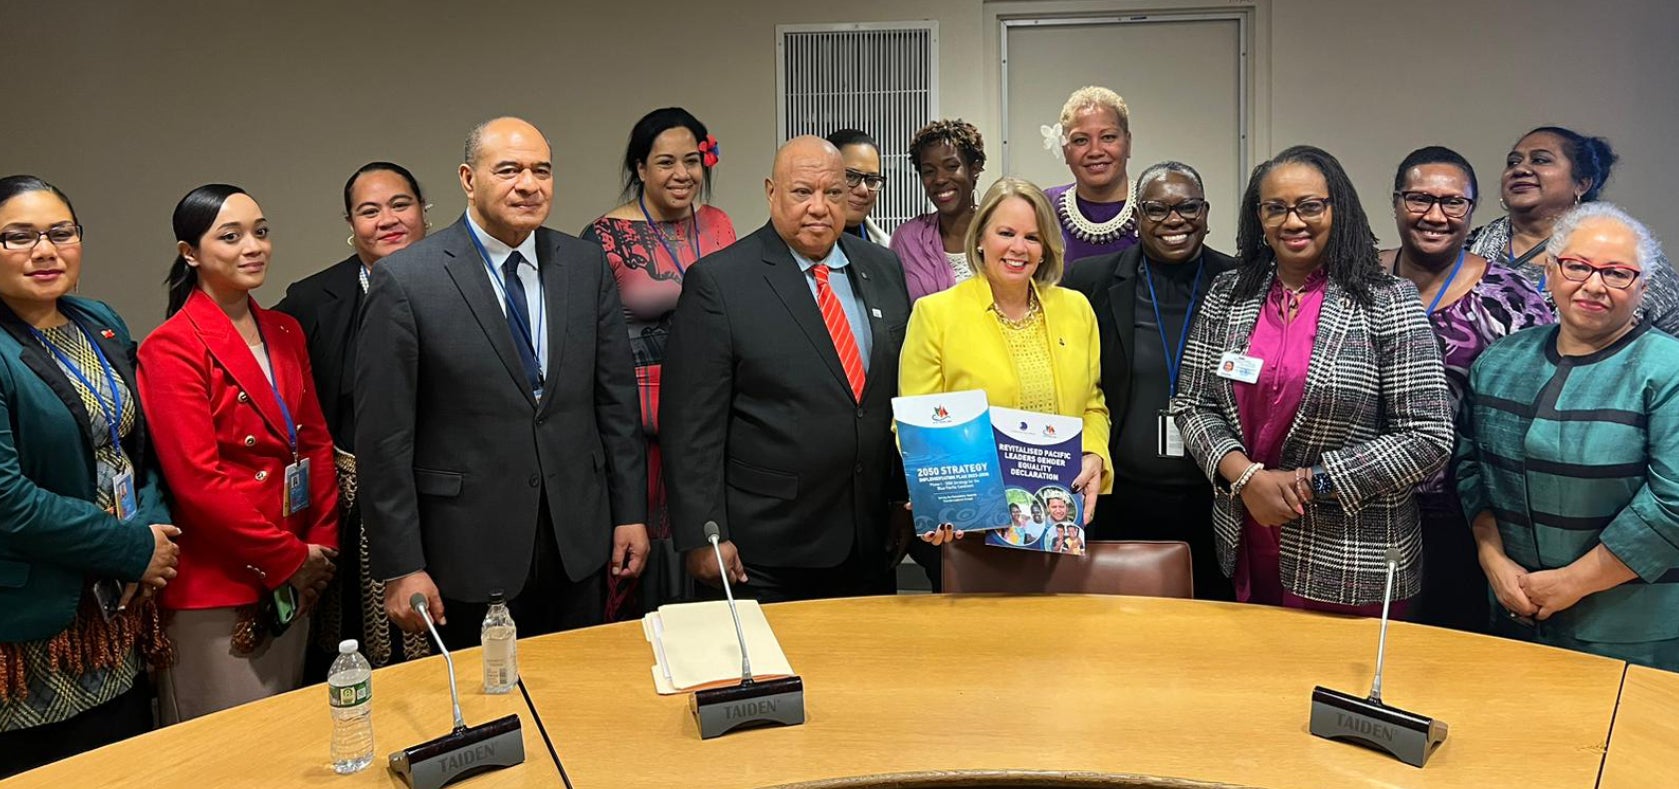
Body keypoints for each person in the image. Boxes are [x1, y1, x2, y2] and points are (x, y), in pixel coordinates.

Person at [357, 118, 648, 650]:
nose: (529, 184)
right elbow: (384, 439)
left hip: (576, 538)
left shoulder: (584, 266)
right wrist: (400, 566)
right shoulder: (408, 278)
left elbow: (616, 403)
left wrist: (630, 512)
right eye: (509, 169)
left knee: (578, 693)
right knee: (488, 708)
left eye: (542, 170)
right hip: (467, 543)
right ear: (469, 179)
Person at [1171, 146, 1453, 615]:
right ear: (1257, 217)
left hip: (1351, 552)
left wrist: (1305, 484)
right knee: (1255, 677)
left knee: (1333, 684)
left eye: (1309, 206)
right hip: (1245, 532)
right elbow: (1191, 404)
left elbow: (1428, 436)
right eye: (1275, 208)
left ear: (1336, 209)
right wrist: (1245, 478)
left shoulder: (1387, 300)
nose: (1292, 222)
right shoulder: (1229, 293)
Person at [662, 136, 911, 603]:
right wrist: (703, 533)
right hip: (767, 545)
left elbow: (891, 397)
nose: (819, 207)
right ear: (771, 191)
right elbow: (691, 424)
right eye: (802, 192)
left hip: (869, 535)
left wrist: (899, 498)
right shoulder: (720, 283)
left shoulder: (884, 267)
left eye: (833, 193)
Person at [139, 184, 340, 722]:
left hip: (298, 571)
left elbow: (315, 441)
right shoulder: (172, 345)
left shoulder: (284, 328)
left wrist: (320, 545)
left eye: (261, 231)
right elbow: (197, 482)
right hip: (223, 580)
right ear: (190, 252)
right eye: (231, 236)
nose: (253, 246)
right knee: (228, 753)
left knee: (286, 739)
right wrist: (289, 558)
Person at [0, 177, 179, 777]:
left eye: (60, 232)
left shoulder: (94, 318)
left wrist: (153, 533)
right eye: (18, 237)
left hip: (116, 608)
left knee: (125, 762)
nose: (44, 250)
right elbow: (9, 502)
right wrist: (130, 548)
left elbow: (136, 447)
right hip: (33, 624)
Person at [1457, 203, 1679, 672]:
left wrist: (1572, 584)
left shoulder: (1667, 369)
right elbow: (1471, 467)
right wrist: (1492, 558)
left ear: (1642, 286)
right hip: (1512, 613)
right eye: (1577, 266)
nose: (1594, 285)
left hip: (1630, 633)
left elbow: (1673, 503)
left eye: (1617, 273)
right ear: (1551, 270)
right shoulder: (1500, 362)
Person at [1379, 146, 1553, 631]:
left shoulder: (1513, 296)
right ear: (1395, 202)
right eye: (1419, 199)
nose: (1435, 215)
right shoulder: (1359, 282)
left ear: (1472, 210)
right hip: (1364, 510)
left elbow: (1528, 414)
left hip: (1471, 518)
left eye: (1453, 202)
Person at [274, 162, 431, 673]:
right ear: (350, 224)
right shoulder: (312, 300)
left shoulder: (462, 281)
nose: (388, 220)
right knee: (355, 652)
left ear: (425, 212)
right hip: (351, 502)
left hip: (450, 496)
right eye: (370, 211)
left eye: (400, 204)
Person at [900, 177, 1112, 549]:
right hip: (971, 529)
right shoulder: (935, 314)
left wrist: (1095, 453)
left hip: (1058, 524)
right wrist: (940, 497)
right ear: (980, 239)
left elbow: (1093, 404)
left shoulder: (1076, 309)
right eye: (1006, 233)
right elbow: (917, 424)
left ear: (1045, 249)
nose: (1019, 248)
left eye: (1032, 237)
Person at [582, 108, 735, 621]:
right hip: (638, 431)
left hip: (711, 424)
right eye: (666, 162)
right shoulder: (603, 236)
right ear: (640, 167)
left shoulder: (719, 224)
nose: (682, 174)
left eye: (692, 160)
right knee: (638, 571)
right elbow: (591, 344)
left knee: (708, 566)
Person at [1064, 161, 1238, 601]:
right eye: (1157, 209)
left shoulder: (1241, 282)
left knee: (1212, 634)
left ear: (1206, 212)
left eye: (1188, 207)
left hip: (1215, 498)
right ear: (1137, 217)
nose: (1174, 220)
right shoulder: (1091, 282)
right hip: (1120, 497)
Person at [1467, 126, 1679, 332]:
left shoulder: (1628, 251)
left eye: (1540, 160)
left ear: (1582, 184)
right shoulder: (1469, 246)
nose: (1520, 169)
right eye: (1513, 162)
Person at [890, 119, 986, 302]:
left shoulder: (1000, 231)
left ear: (974, 169)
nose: (940, 179)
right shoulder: (907, 239)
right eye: (929, 171)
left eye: (951, 166)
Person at [1044, 87, 1138, 267]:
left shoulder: (1154, 208)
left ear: (1128, 144)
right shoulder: (1046, 206)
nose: (1095, 151)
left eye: (1108, 137)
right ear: (1065, 150)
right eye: (1081, 140)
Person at [826, 129, 889, 245]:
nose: (863, 190)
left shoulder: (888, 250)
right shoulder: (792, 243)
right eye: (850, 176)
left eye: (871, 180)